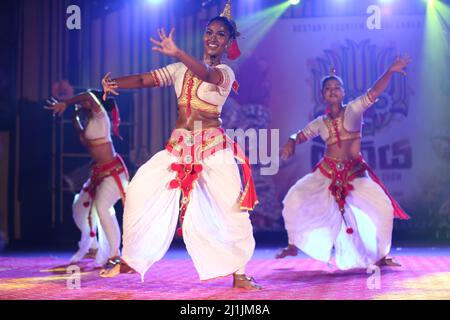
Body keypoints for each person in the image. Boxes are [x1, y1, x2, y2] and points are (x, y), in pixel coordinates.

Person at [99, 1, 261, 290]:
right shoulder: (178, 69)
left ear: (229, 42)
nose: (213, 38)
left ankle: (239, 273)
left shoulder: (225, 73)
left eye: (220, 35)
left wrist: (178, 52)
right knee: (138, 192)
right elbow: (145, 79)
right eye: (209, 32)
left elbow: (206, 75)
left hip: (212, 149)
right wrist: (115, 83)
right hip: (178, 148)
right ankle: (131, 259)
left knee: (231, 209)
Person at [276, 56, 411, 270]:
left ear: (343, 92)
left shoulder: (354, 109)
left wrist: (390, 70)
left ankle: (381, 255)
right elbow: (299, 135)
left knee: (383, 209)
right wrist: (291, 141)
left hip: (355, 173)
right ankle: (293, 244)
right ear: (322, 95)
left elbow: (374, 92)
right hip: (327, 173)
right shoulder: (320, 122)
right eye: (328, 88)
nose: (332, 91)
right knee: (295, 197)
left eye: (337, 87)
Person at [45, 90, 129, 267]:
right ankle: (93, 246)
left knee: (103, 207)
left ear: (95, 103)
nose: (84, 102)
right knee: (79, 206)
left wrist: (66, 103)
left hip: (113, 173)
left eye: (86, 102)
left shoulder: (100, 116)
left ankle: (115, 254)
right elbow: (83, 137)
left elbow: (89, 94)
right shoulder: (90, 120)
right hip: (98, 174)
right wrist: (75, 116)